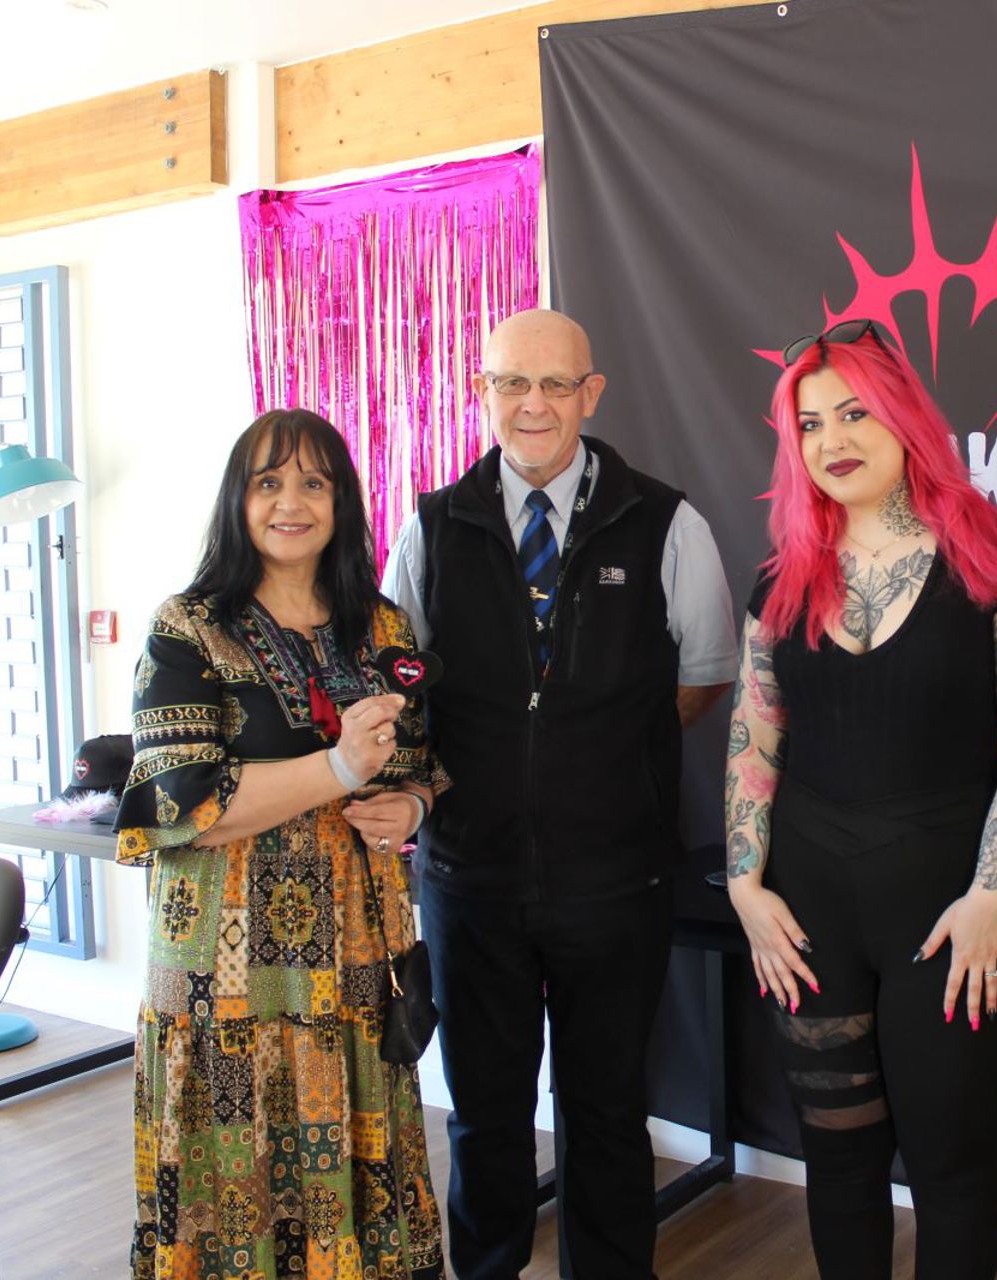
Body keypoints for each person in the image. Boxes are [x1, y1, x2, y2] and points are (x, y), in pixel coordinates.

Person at [380, 308, 736, 1279]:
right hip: (469, 879)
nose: (531, 403)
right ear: (481, 389)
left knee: (609, 1115)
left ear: (592, 392)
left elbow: (700, 679)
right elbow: (399, 684)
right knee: (486, 1118)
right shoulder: (431, 527)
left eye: (554, 384)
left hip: (615, 880)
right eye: (509, 382)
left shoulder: (665, 520)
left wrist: (592, 753)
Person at [724, 319, 997, 1279]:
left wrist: (993, 897)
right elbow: (755, 737)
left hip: (957, 915)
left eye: (854, 413)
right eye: (808, 423)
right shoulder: (781, 577)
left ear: (905, 418)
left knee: (951, 1166)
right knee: (837, 1159)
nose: (832, 439)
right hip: (807, 918)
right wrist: (745, 887)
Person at [117, 408, 447, 1279]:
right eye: (268, 482)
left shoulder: (381, 627)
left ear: (341, 500)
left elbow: (421, 763)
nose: (290, 502)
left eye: (313, 481)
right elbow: (184, 803)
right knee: (236, 1196)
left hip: (355, 960)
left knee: (357, 1186)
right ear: (239, 499)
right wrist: (337, 769)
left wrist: (409, 805)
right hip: (223, 980)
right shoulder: (188, 627)